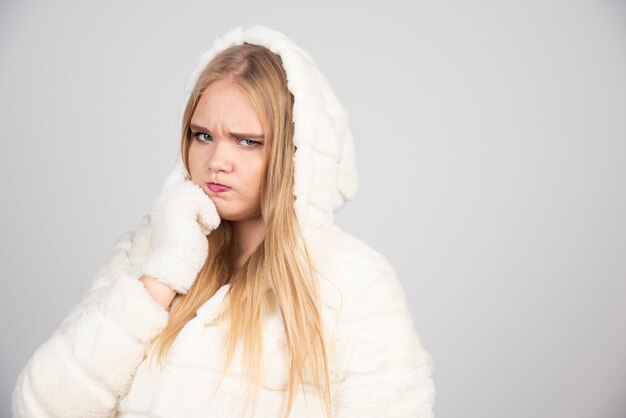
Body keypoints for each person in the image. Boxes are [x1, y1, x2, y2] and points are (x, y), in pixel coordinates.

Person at [11, 25, 436, 418]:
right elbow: (42, 407)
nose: (217, 162)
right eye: (203, 135)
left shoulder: (354, 282)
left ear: (295, 152)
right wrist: (167, 270)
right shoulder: (147, 253)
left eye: (248, 142)